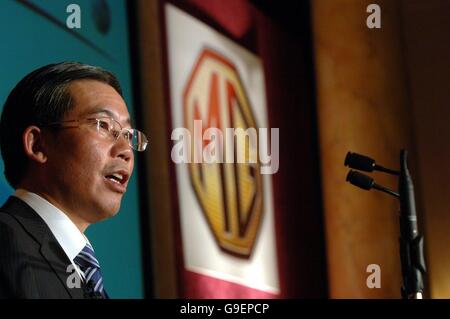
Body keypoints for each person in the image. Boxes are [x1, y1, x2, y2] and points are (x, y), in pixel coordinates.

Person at [0, 62, 148, 299]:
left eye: (128, 135)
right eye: (103, 125)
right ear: (38, 145)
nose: (126, 151)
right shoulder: (8, 247)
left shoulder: (81, 269)